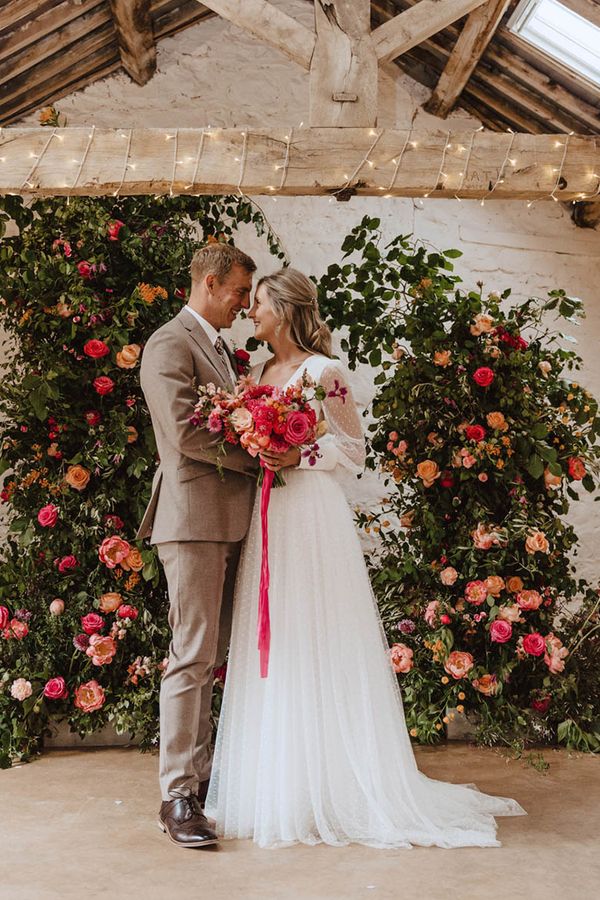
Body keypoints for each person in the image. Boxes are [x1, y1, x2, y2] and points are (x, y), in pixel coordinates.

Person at [205, 267, 526, 849]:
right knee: (279, 635)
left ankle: (336, 781)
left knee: (318, 631)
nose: (251, 311)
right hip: (270, 513)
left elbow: (353, 450)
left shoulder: (324, 373)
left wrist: (297, 457)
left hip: (310, 514)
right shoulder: (258, 372)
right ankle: (281, 782)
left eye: (260, 303)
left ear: (285, 309)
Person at [137, 242, 258, 848]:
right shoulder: (169, 343)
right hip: (191, 521)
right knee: (191, 655)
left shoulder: (220, 350)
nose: (245, 305)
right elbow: (185, 432)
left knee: (214, 655)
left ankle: (204, 779)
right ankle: (177, 796)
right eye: (239, 292)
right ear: (210, 283)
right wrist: (260, 452)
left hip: (233, 519)